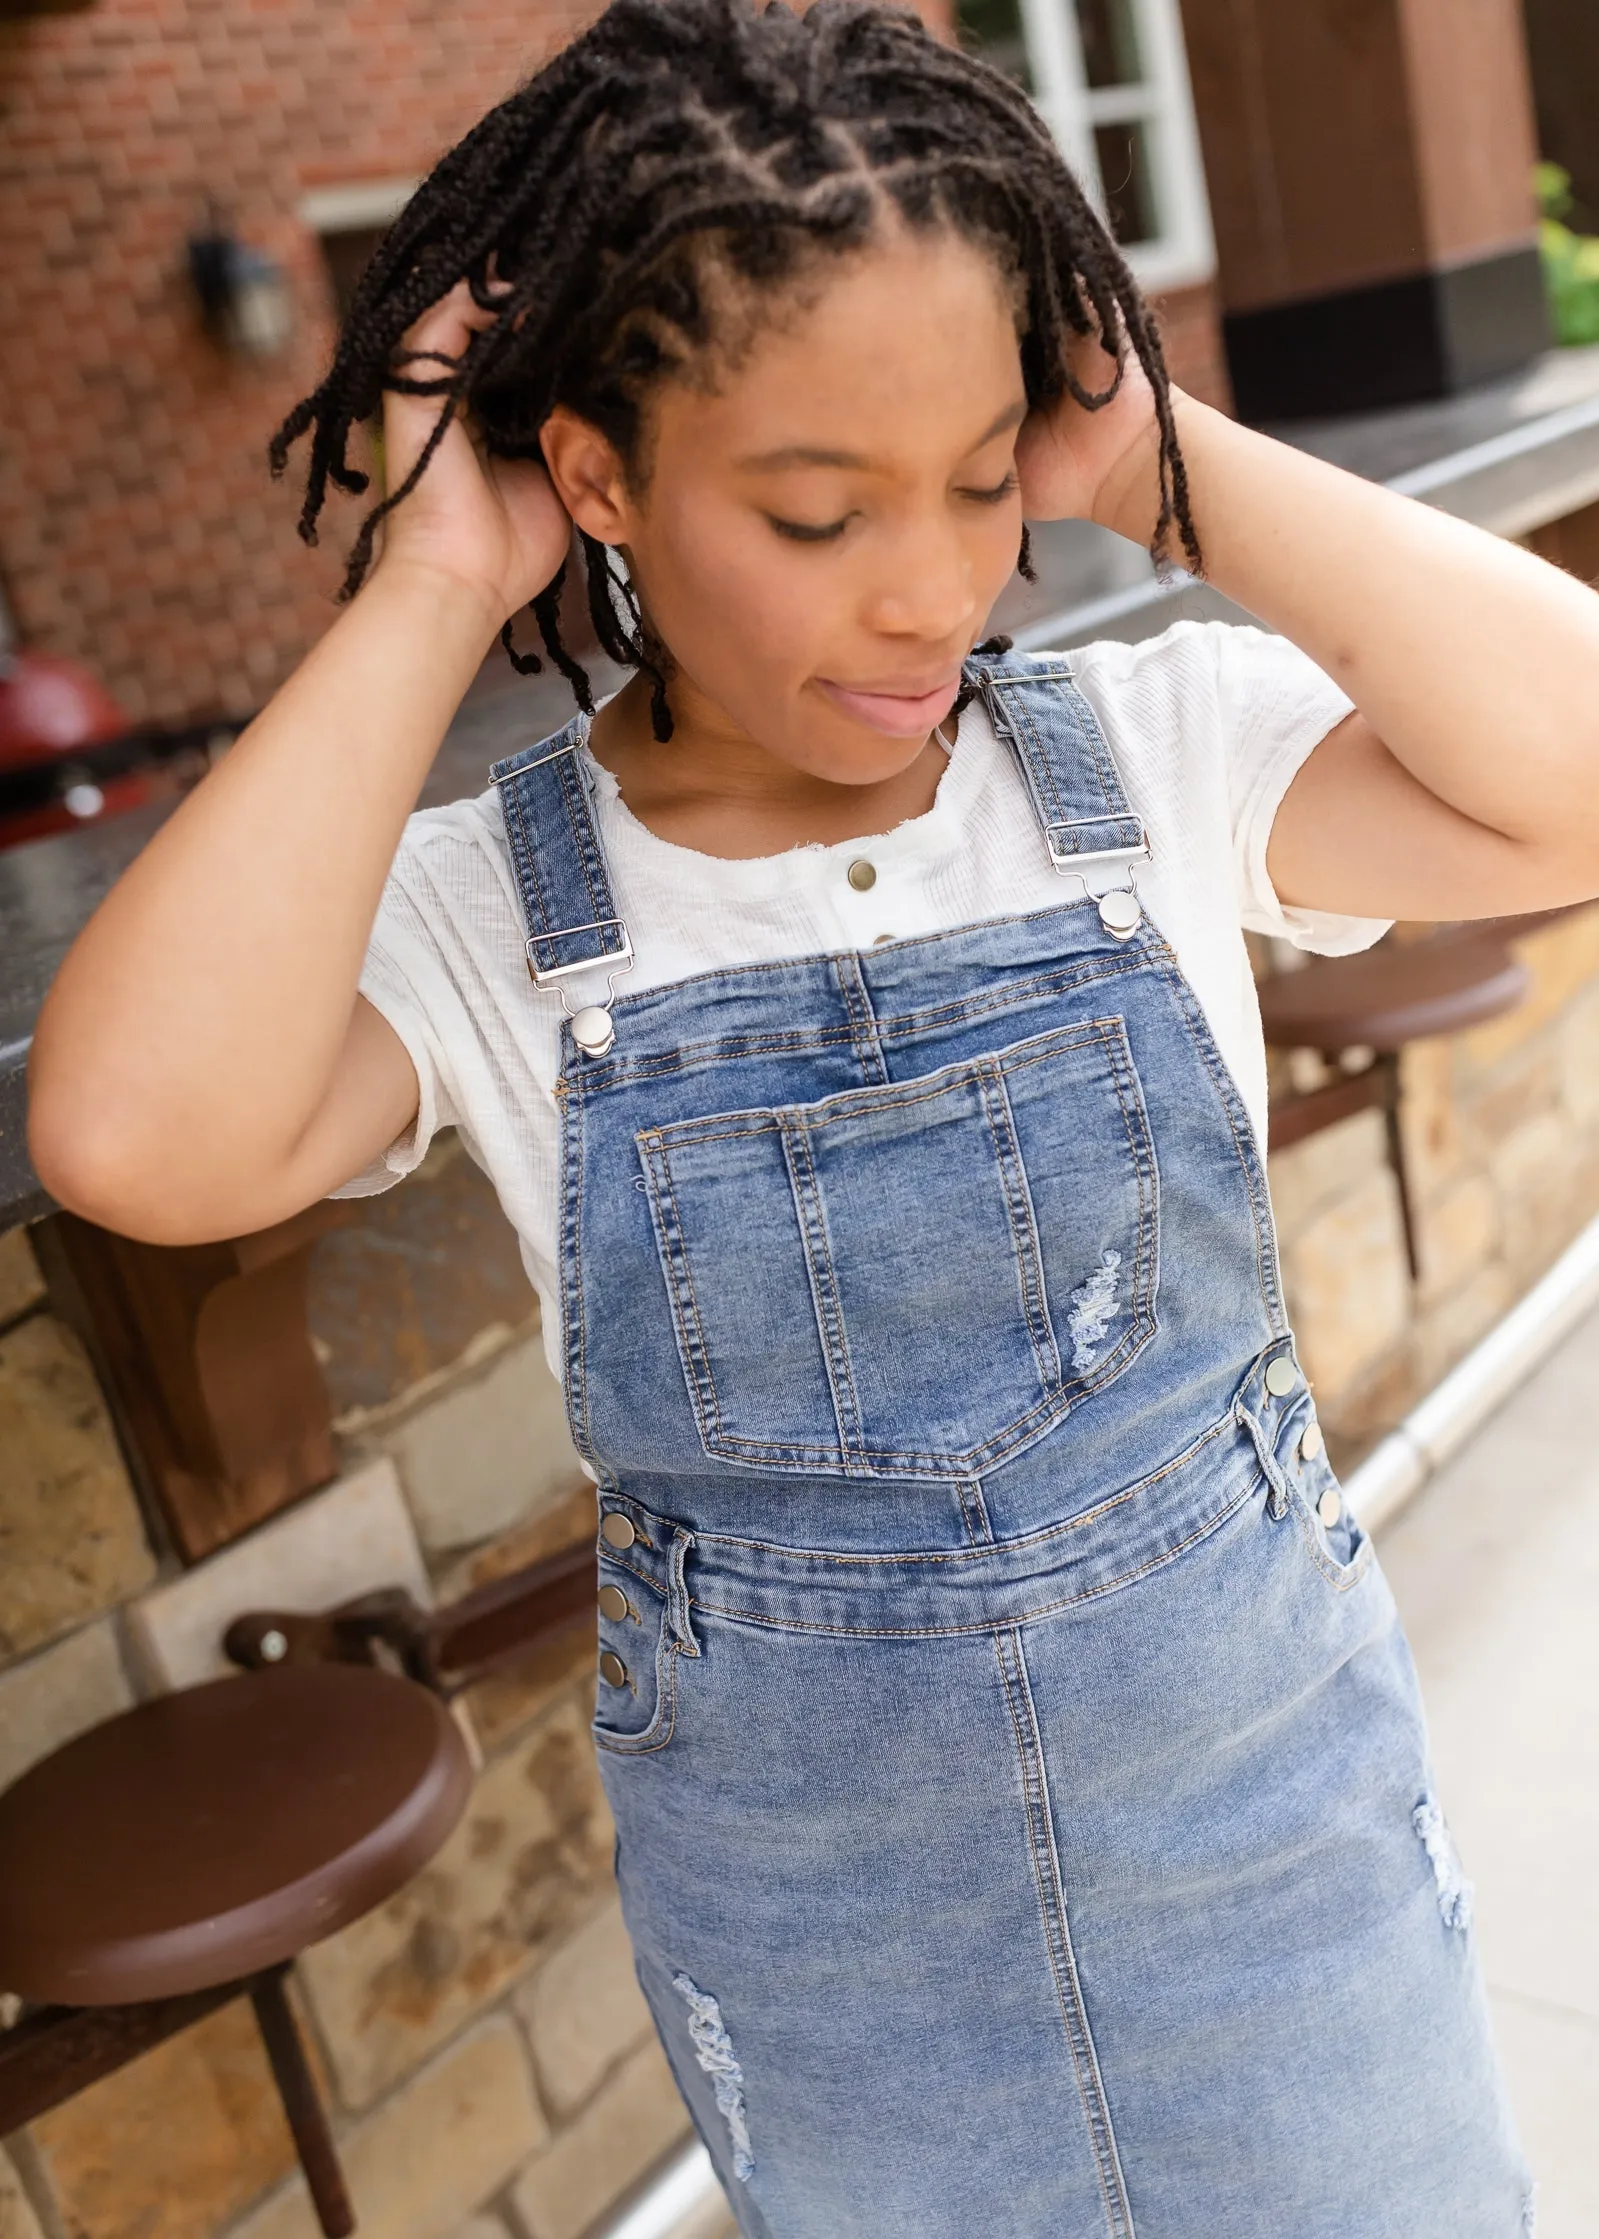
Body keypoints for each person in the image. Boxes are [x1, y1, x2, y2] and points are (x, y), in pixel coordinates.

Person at [30, 1, 1599, 2228]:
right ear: (595, 479)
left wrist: (1157, 454)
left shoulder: (1152, 761)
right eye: (810, 507)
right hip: (836, 1955)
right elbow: (134, 1138)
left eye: (976, 478)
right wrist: (431, 589)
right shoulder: (490, 916)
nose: (934, 589)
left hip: (1274, 1857)